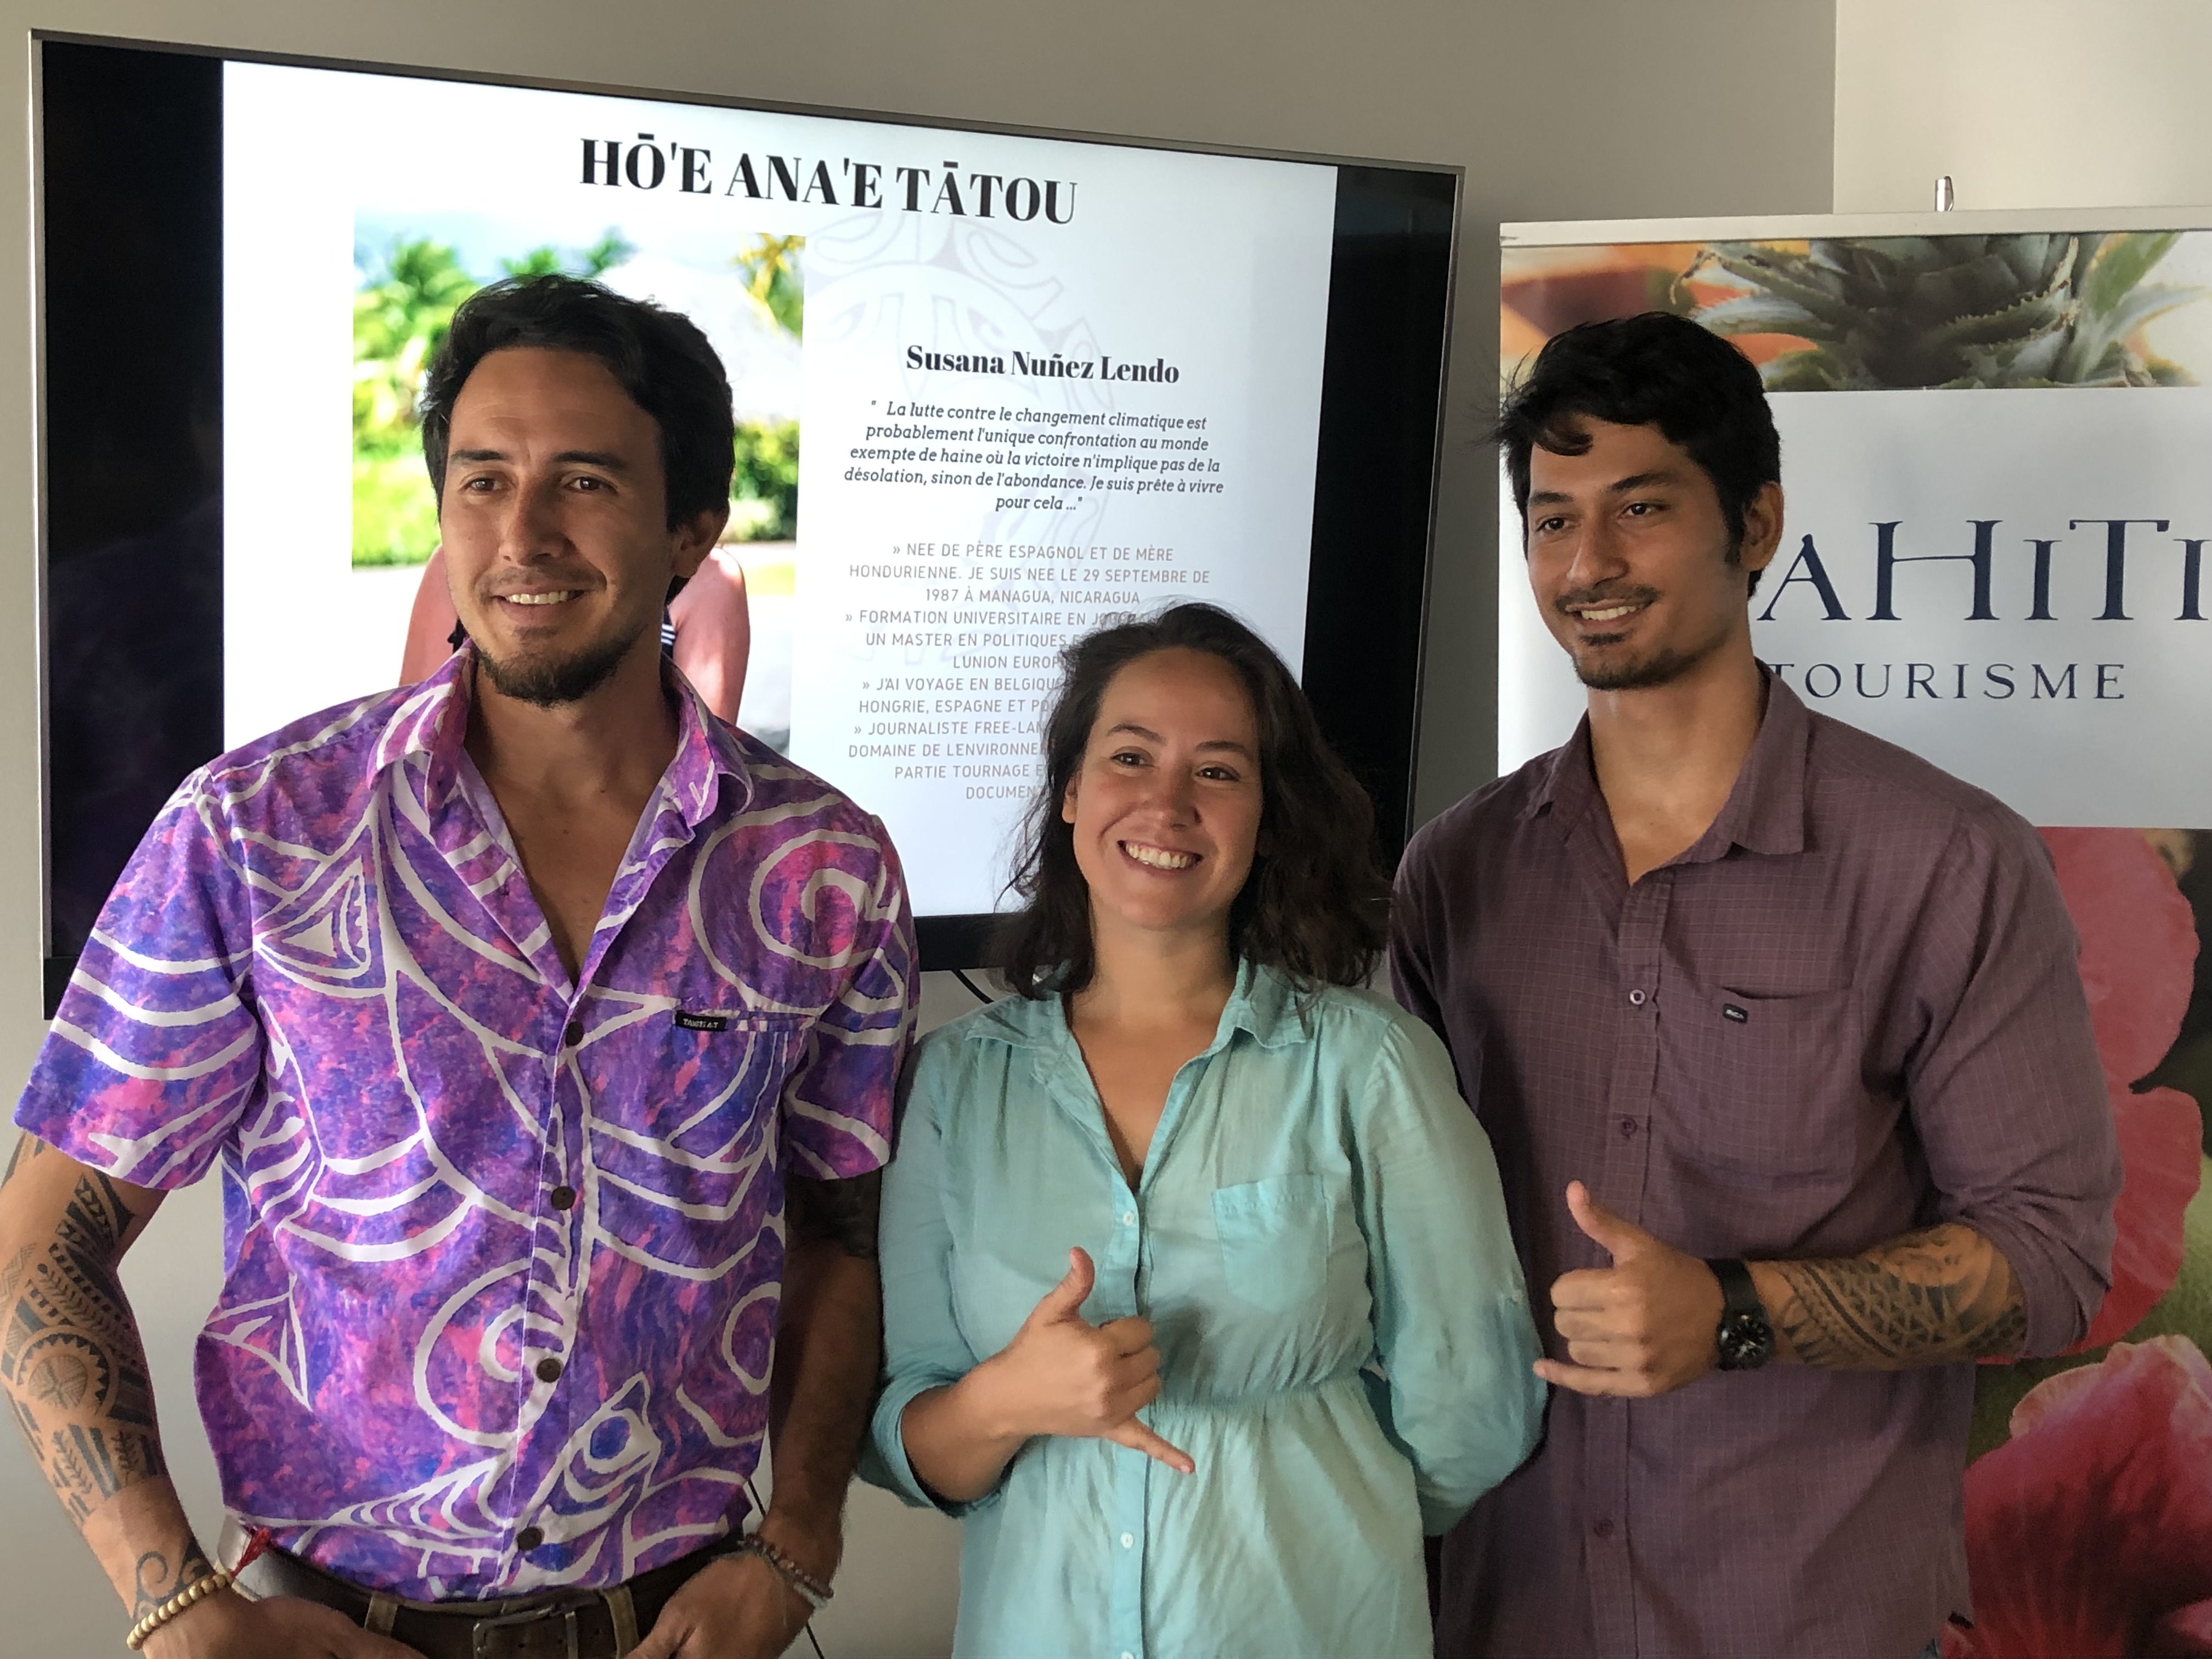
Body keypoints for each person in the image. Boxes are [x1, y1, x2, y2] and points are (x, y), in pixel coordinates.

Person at [0, 274, 911, 1659]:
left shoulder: (822, 870)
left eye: (585, 481)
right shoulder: (256, 837)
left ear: (692, 533)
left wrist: (803, 1544)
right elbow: (39, 1245)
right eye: (481, 480)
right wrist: (173, 1606)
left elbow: (837, 1239)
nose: (522, 534)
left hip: (677, 1626)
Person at [1390, 312, 2124, 1659]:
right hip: (1510, 1611)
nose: (1588, 564)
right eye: (1552, 521)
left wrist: (1731, 1314)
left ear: (1757, 522)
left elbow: (2050, 1260)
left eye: (1642, 508)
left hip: (1803, 1614)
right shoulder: (1459, 874)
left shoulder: (1943, 862)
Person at [867, 602, 1544, 1659]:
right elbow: (911, 1434)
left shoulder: (1369, 1066)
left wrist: (1315, 1522)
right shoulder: (954, 1083)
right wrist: (1005, 1399)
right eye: (1129, 755)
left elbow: (1474, 1409)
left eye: (1219, 770)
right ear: (1071, 793)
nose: (1167, 802)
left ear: (1268, 817)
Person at [400, 540, 754, 725]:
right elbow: (413, 733)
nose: (523, 544)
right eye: (486, 483)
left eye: (586, 484)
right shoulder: (450, 570)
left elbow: (703, 774)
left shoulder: (709, 580)